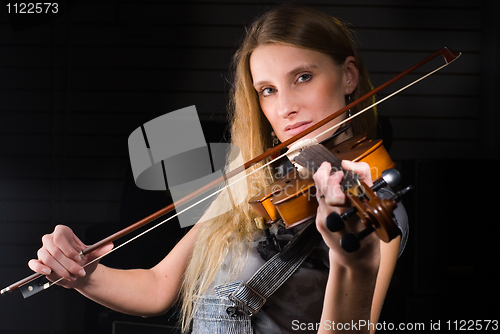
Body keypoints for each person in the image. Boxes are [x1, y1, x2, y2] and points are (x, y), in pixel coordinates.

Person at [28, 4, 408, 333]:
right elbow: (157, 288)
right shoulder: (254, 181)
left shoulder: (375, 205)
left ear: (348, 76)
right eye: (268, 90)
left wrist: (351, 264)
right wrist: (81, 274)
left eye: (303, 77)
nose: (285, 107)